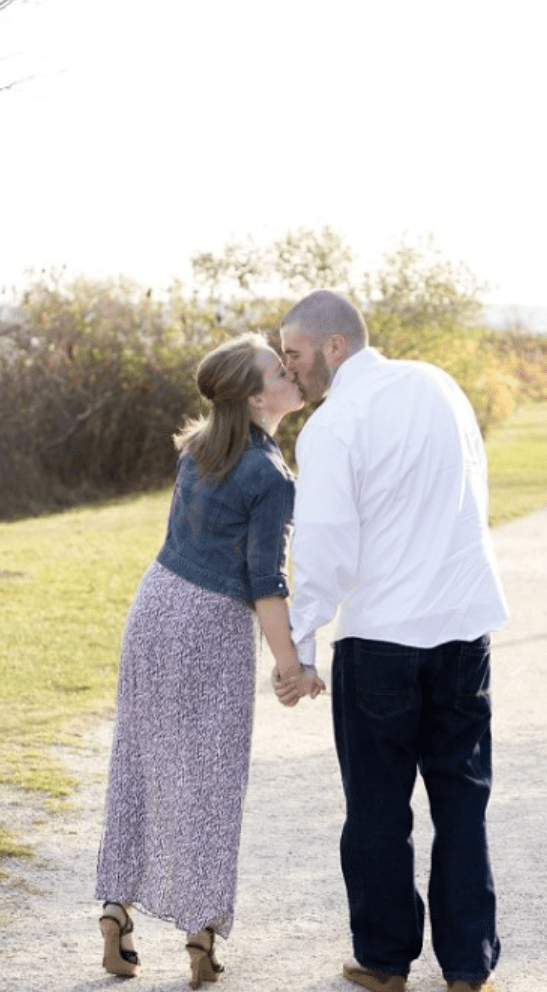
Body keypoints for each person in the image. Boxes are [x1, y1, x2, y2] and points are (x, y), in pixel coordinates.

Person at [275, 291, 509, 992]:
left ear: (334, 347)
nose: (291, 369)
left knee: (377, 808)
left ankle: (384, 962)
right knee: (462, 802)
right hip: (464, 629)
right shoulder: (439, 384)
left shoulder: (332, 424)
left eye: (295, 354)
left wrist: (301, 651)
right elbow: (473, 488)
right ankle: (469, 968)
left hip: (381, 641)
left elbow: (322, 549)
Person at [95, 332, 325, 984]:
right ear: (258, 396)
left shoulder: (199, 450)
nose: (294, 376)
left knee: (138, 763)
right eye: (283, 370)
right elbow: (263, 583)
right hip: (208, 626)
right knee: (208, 784)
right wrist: (290, 667)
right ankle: (200, 939)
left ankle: (116, 910)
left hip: (154, 605)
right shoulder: (272, 477)